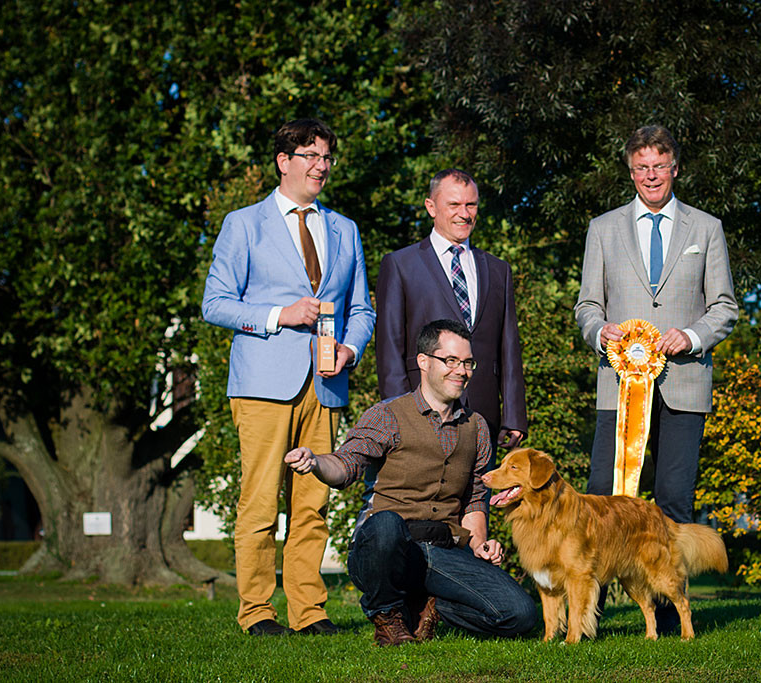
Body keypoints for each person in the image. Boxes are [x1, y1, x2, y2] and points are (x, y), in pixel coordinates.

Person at [202, 118, 375, 636]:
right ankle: (256, 612)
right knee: (259, 502)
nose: (321, 165)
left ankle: (309, 611)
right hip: (262, 384)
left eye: (326, 157)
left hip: (326, 382)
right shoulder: (243, 224)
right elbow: (215, 304)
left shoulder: (345, 228)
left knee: (313, 503)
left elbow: (361, 308)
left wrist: (350, 347)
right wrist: (281, 315)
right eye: (311, 156)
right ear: (284, 162)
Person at [284, 320, 537, 646]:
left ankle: (429, 607)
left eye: (467, 362)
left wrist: (479, 545)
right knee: (387, 525)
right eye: (450, 361)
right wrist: (317, 462)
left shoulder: (476, 426)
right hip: (384, 550)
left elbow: (475, 498)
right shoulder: (387, 415)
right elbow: (346, 464)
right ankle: (387, 616)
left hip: (441, 551)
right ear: (423, 361)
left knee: (520, 613)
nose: (461, 371)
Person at [574, 124, 738, 626]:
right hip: (618, 387)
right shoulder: (602, 228)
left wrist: (689, 337)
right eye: (641, 167)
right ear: (630, 171)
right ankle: (588, 610)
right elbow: (586, 305)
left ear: (675, 169)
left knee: (672, 500)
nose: (651, 175)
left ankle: (669, 615)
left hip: (685, 384)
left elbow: (726, 308)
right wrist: (601, 331)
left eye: (659, 167)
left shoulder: (706, 228)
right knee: (602, 498)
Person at [375, 169, 527, 451]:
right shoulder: (400, 265)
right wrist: (399, 416)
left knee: (480, 496)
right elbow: (389, 350)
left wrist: (515, 415)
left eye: (471, 205)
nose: (465, 213)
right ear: (431, 207)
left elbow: (508, 348)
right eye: (454, 205)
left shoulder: (498, 269)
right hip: (420, 413)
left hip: (484, 417)